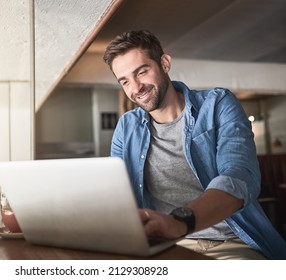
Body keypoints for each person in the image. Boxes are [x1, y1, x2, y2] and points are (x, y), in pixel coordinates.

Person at [103, 30, 286, 260]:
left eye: (142, 72)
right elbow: (117, 194)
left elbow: (239, 177)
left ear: (165, 63)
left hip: (232, 244)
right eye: (125, 81)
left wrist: (179, 222)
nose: (136, 87)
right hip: (166, 247)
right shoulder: (126, 127)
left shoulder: (218, 104)